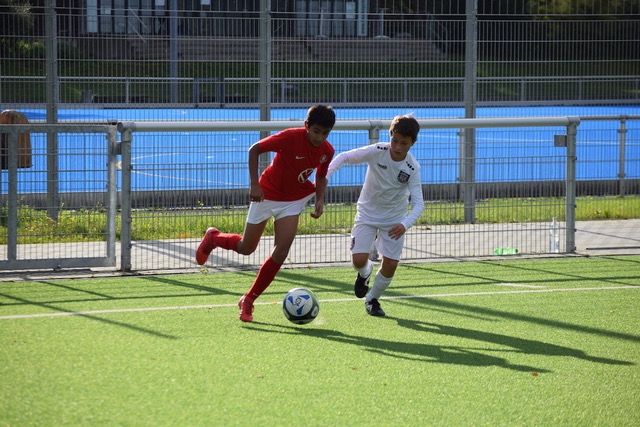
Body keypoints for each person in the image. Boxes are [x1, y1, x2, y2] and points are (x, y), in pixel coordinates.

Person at [196, 104, 336, 322]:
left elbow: (320, 175)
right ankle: (213, 238)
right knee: (246, 248)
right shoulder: (289, 137)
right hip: (267, 194)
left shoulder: (327, 151)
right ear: (306, 126)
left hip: (292, 200)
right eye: (316, 131)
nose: (319, 138)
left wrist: (320, 199)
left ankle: (248, 299)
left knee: (281, 252)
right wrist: (254, 184)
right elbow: (255, 150)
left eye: (325, 133)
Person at [327, 115, 424, 317]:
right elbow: (344, 157)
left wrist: (404, 224)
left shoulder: (412, 168)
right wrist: (325, 177)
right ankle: (365, 273)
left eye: (404, 143)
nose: (397, 147)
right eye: (395, 140)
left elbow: (418, 204)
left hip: (393, 220)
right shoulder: (377, 151)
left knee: (391, 265)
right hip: (367, 214)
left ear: (413, 143)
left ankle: (372, 299)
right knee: (358, 261)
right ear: (390, 135)